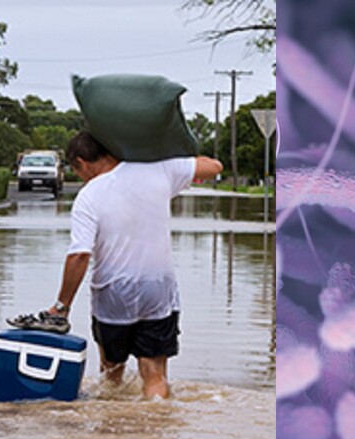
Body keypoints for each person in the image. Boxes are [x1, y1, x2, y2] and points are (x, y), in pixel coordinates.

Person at [27, 131, 222, 399]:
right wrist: (162, 151)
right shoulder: (159, 170)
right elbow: (214, 167)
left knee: (111, 373)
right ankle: (156, 424)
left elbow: (80, 255)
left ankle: (114, 434)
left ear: (82, 163)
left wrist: (62, 306)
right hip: (157, 289)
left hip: (112, 293)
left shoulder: (89, 195)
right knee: (154, 373)